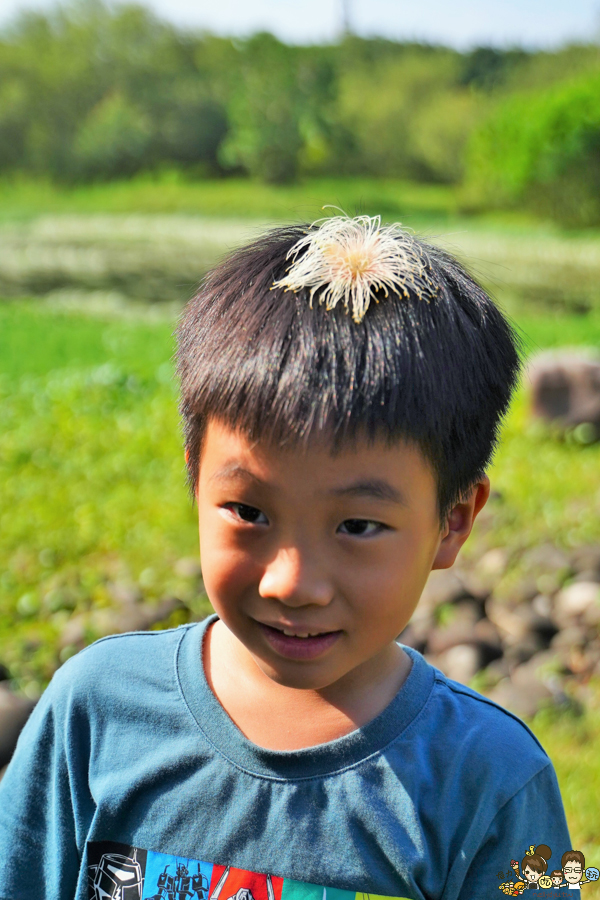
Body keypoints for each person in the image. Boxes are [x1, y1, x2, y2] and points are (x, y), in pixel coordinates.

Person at [0, 215, 572, 900]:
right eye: (249, 513)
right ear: (195, 479)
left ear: (453, 521)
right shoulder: (95, 711)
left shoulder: (492, 781)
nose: (292, 582)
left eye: (358, 525)